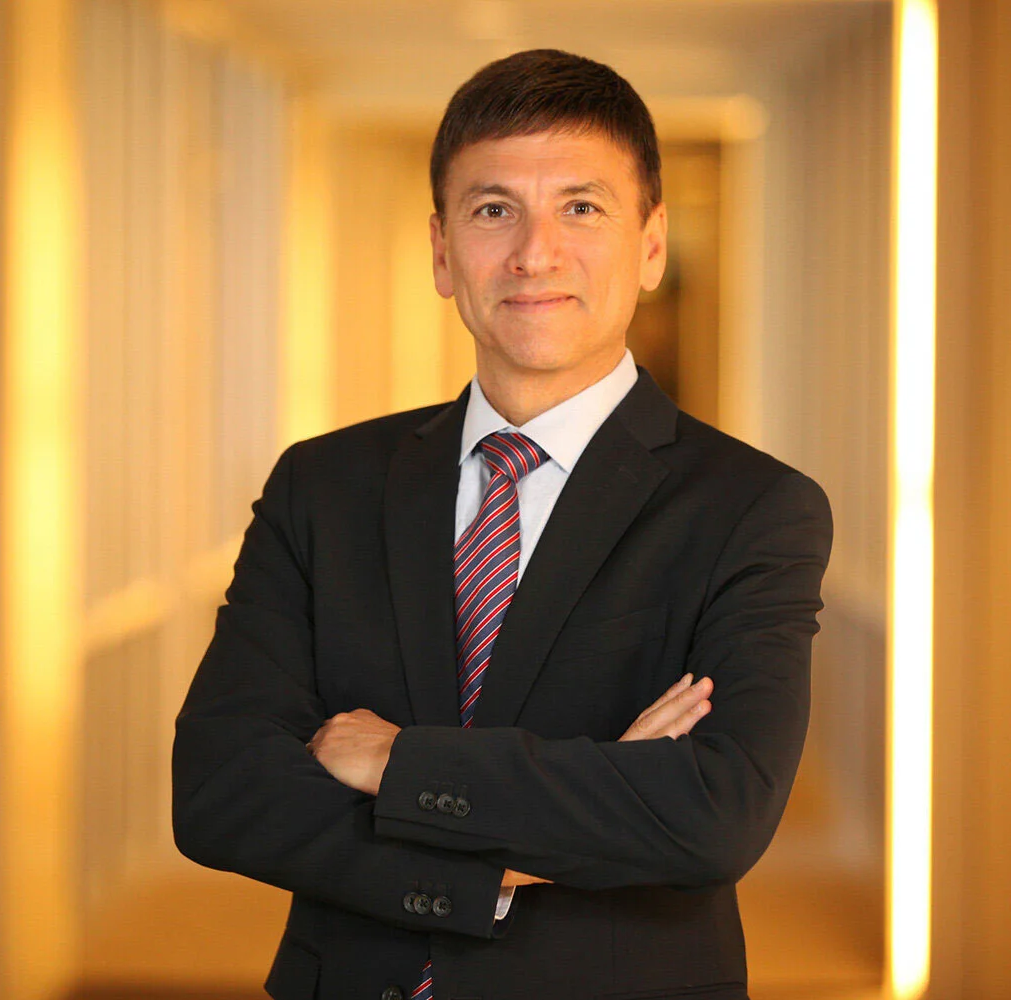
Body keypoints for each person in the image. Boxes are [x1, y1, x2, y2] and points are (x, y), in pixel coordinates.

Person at [172, 48, 833, 1000]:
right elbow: (220, 789)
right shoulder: (323, 486)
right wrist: (522, 851)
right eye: (493, 211)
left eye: (581, 207)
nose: (534, 254)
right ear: (442, 251)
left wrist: (397, 762)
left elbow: (715, 814)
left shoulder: (752, 509)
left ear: (651, 245)